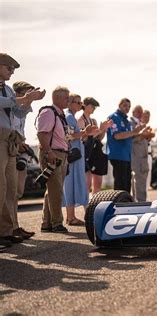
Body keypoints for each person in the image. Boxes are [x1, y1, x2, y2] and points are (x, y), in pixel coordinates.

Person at [0, 53, 45, 247]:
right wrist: (23, 98)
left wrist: (29, 102)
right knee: (0, 187)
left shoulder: (8, 89)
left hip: (9, 141)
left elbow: (16, 112)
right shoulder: (7, 92)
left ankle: (6, 231)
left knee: (9, 189)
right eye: (9, 68)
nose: (12, 72)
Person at [36, 86, 71, 233]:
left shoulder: (60, 114)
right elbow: (42, 134)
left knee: (52, 189)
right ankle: (57, 223)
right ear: (56, 98)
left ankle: (47, 223)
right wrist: (49, 152)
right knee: (56, 191)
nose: (68, 101)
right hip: (52, 154)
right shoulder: (49, 112)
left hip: (61, 154)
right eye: (66, 98)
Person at [63, 94, 98, 226]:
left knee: (74, 185)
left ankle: (71, 217)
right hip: (72, 156)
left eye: (80, 102)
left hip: (77, 156)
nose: (80, 105)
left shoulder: (70, 116)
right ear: (70, 103)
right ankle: (70, 217)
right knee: (70, 185)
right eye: (77, 102)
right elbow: (69, 136)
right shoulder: (69, 117)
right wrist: (85, 132)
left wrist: (85, 132)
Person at [11, 81, 37, 239]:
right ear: (19, 93)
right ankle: (11, 228)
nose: (32, 96)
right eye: (29, 93)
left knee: (18, 192)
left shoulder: (24, 109)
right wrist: (18, 143)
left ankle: (14, 226)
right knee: (10, 192)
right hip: (11, 149)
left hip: (19, 151)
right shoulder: (12, 107)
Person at [106, 98, 145, 193]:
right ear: (119, 105)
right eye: (125, 106)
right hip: (118, 156)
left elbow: (130, 137)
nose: (127, 108)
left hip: (127, 156)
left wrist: (140, 133)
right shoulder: (114, 117)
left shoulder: (126, 120)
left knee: (127, 184)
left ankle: (126, 205)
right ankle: (118, 206)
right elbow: (117, 136)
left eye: (129, 106)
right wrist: (134, 132)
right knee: (120, 185)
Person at [78, 97, 111, 194]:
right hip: (87, 153)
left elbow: (99, 138)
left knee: (98, 183)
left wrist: (104, 129)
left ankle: (94, 205)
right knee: (87, 184)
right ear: (85, 105)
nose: (94, 109)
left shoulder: (93, 121)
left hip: (96, 152)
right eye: (92, 106)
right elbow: (84, 138)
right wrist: (100, 129)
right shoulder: (80, 121)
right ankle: (87, 207)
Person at [130, 108, 154, 202]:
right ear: (133, 112)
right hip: (137, 156)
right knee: (139, 180)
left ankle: (141, 201)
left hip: (144, 156)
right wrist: (143, 135)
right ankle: (140, 202)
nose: (140, 114)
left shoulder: (140, 124)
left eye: (141, 111)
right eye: (138, 111)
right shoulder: (131, 123)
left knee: (143, 180)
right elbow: (133, 139)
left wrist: (146, 135)